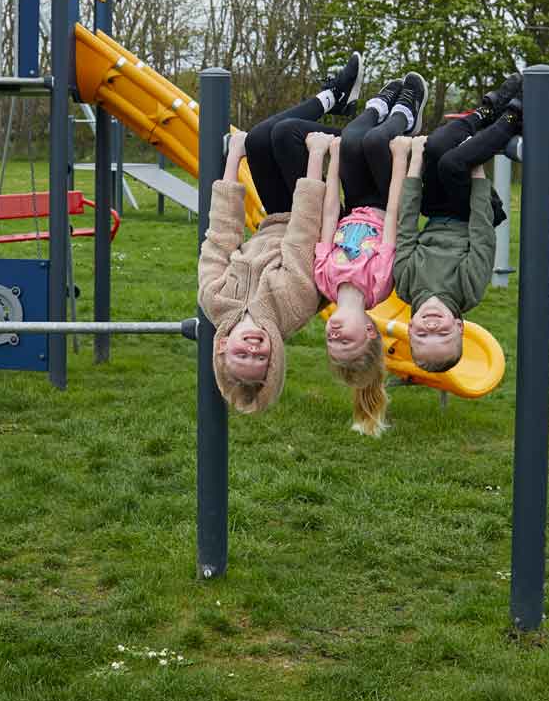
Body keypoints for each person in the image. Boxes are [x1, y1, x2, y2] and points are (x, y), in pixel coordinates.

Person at [198, 56, 362, 414]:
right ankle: (373, 138)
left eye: (244, 353)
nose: (254, 347)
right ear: (274, 357)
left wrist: (234, 158)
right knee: (288, 137)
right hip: (319, 219)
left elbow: (220, 237)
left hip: (278, 216)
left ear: (223, 345)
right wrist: (317, 156)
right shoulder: (289, 308)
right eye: (261, 357)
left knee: (257, 140)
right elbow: (304, 236)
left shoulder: (214, 299)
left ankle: (335, 98)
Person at [291, 72, 427, 436]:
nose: (334, 334)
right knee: (379, 140)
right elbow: (396, 217)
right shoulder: (380, 283)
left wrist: (333, 162)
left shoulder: (325, 279)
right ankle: (408, 111)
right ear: (369, 332)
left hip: (355, 203)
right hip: (386, 198)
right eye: (345, 340)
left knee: (351, 139)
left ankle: (379, 103)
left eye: (331, 342)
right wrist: (402, 160)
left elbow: (330, 215)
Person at [393, 73, 524, 373]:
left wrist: (415, 162)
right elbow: (482, 237)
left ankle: (487, 112)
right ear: (459, 325)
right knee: (453, 164)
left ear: (410, 327)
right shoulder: (468, 290)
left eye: (424, 334)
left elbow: (407, 230)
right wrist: (476, 173)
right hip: (474, 210)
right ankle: (514, 113)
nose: (432, 326)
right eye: (443, 333)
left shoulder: (405, 284)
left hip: (436, 209)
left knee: (436, 146)